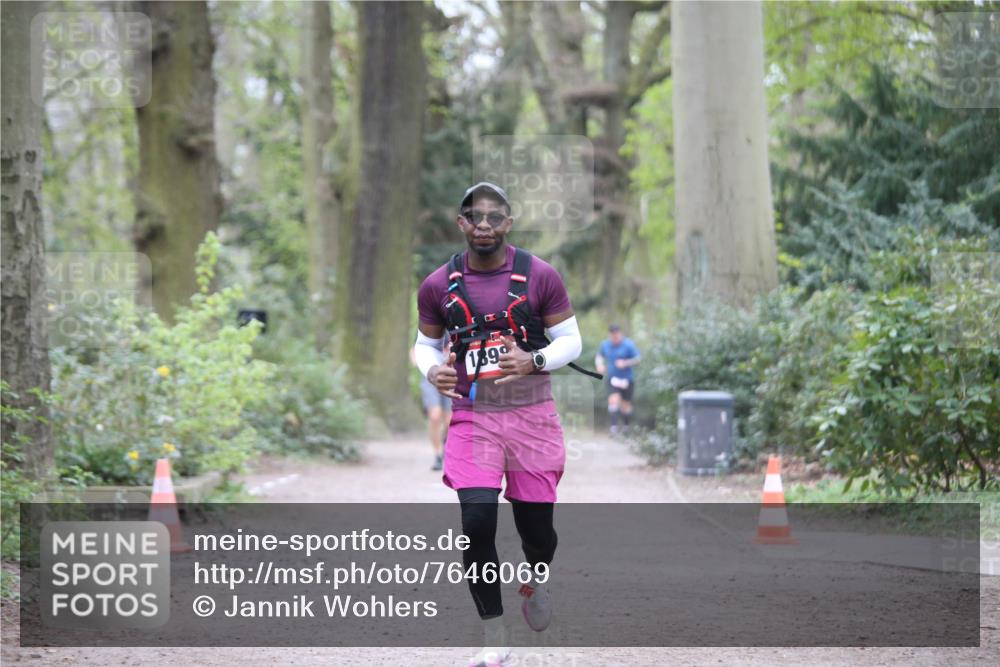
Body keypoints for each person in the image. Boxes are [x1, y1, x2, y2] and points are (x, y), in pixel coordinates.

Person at [413, 182, 584, 667]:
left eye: (494, 217)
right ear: (461, 223)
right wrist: (430, 368)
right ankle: (494, 636)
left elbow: (571, 340)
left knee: (539, 534)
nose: (483, 225)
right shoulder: (437, 285)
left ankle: (536, 577)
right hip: (473, 417)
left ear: (508, 223)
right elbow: (424, 344)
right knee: (477, 523)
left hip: (532, 417)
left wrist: (534, 359)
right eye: (474, 216)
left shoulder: (540, 275)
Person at [595, 324, 641, 436]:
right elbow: (599, 356)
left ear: (620, 334)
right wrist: (599, 365)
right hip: (612, 378)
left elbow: (637, 359)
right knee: (613, 400)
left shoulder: (628, 344)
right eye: (612, 336)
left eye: (617, 335)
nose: (615, 338)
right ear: (610, 335)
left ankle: (626, 427)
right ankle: (613, 428)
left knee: (626, 405)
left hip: (627, 379)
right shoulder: (605, 345)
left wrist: (625, 363)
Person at [411, 347, 451, 470]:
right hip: (430, 378)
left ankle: (446, 444)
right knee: (435, 416)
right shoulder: (427, 328)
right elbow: (414, 350)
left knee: (450, 421)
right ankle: (438, 454)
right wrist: (421, 363)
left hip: (451, 377)